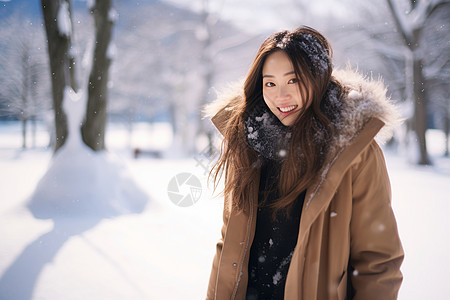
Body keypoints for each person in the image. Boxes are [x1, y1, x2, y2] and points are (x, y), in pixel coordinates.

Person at [205, 26, 404, 300]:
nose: (280, 97)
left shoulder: (353, 153)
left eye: (294, 80)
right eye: (270, 83)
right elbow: (229, 246)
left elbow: (378, 263)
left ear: (318, 78)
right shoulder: (247, 143)